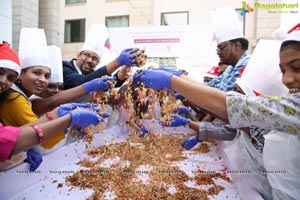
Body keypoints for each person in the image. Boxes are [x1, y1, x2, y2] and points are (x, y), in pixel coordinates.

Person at [132, 25, 300, 200]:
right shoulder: (272, 120)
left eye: (297, 68)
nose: (287, 79)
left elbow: (235, 108)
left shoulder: (288, 109)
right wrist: (179, 79)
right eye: (283, 71)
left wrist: (173, 81)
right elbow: (238, 120)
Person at [0, 42, 100, 170]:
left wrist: (61, 116)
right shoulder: (15, 99)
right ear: (21, 75)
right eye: (37, 73)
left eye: (46, 76)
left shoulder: (26, 97)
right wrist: (68, 122)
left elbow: (20, 132)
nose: (42, 79)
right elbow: (41, 138)